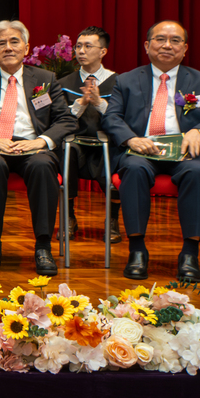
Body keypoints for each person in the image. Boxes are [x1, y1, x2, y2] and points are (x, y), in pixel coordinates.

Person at [101, 20, 200, 281]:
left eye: (175, 40)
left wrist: (199, 131)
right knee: (133, 169)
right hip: (142, 150)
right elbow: (111, 117)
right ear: (147, 45)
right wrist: (130, 139)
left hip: (186, 151)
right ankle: (137, 250)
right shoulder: (126, 80)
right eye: (160, 39)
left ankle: (190, 254)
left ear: (185, 48)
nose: (167, 45)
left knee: (196, 172)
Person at [0, 20, 77, 275]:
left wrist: (41, 141)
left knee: (43, 165)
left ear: (26, 47)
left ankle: (43, 247)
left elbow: (66, 119)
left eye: (14, 42)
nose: (8, 47)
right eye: (1, 43)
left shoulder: (45, 79)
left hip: (33, 146)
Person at [56, 26, 119, 241]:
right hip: (75, 142)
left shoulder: (118, 83)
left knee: (117, 154)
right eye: (78, 46)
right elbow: (58, 119)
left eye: (88, 46)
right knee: (67, 150)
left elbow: (122, 118)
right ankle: (68, 217)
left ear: (103, 51)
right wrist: (81, 103)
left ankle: (112, 219)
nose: (81, 51)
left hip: (107, 141)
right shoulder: (64, 83)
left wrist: (99, 102)